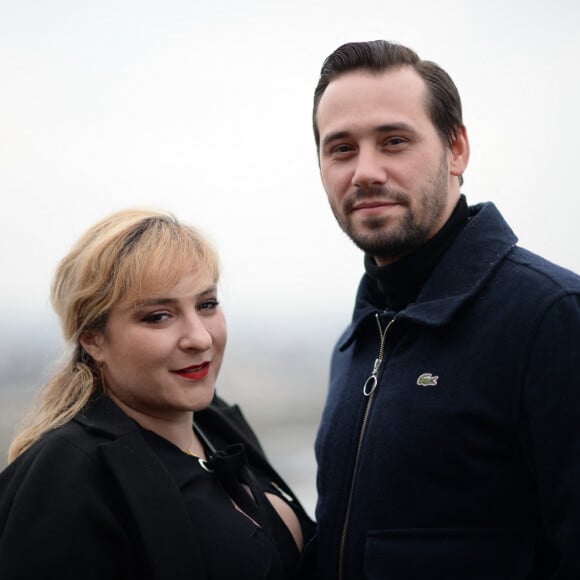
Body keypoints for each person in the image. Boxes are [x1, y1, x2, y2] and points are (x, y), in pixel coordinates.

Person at [308, 40, 580, 579]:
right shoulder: (360, 336)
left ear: (457, 150)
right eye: (341, 148)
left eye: (394, 141)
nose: (365, 171)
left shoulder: (552, 317)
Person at [0, 208, 314, 580]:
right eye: (158, 316)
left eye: (207, 304)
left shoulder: (218, 423)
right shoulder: (68, 475)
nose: (199, 337)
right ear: (93, 338)